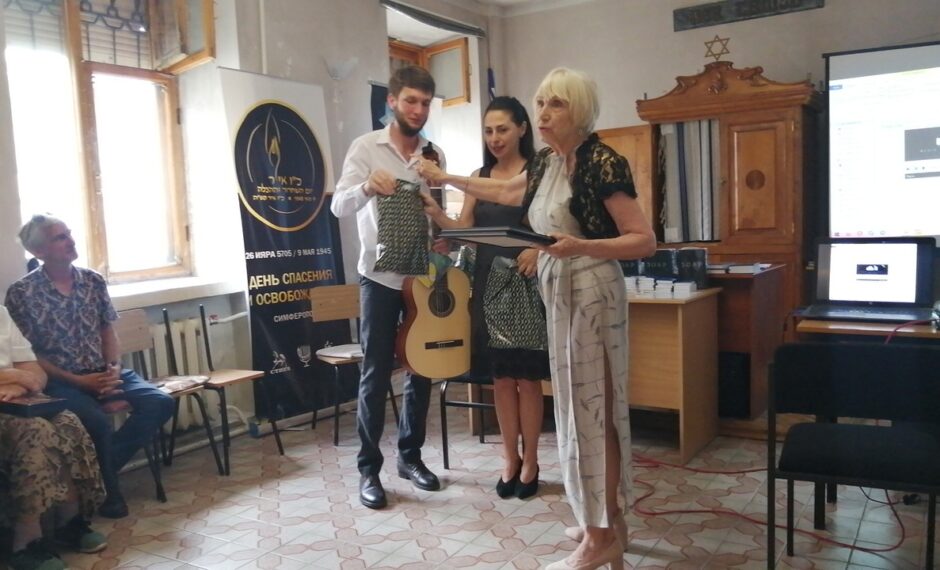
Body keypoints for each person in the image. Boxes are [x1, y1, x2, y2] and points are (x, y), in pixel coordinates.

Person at [417, 68, 656, 570]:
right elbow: (507, 193)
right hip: (562, 288)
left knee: (592, 415)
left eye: (556, 104)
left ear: (579, 110)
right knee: (574, 412)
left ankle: (600, 537)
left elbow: (643, 240)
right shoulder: (549, 161)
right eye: (541, 102)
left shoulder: (601, 161)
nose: (543, 113)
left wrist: (579, 246)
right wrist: (447, 178)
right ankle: (605, 522)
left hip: (591, 289)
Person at [4, 214, 176, 519]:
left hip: (104, 371)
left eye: (69, 234)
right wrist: (79, 381)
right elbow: (31, 356)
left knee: (159, 402)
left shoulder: (92, 280)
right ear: (39, 251)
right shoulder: (22, 293)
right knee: (96, 421)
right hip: (61, 381)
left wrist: (113, 369)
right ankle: (110, 495)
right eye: (60, 238)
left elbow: (107, 330)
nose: (70, 241)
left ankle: (98, 474)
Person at [330, 65, 447, 510]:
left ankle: (410, 458)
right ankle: (369, 470)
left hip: (422, 276)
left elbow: (438, 212)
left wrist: (443, 234)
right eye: (411, 100)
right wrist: (366, 186)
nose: (418, 110)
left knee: (422, 367)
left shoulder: (434, 154)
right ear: (392, 101)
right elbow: (339, 206)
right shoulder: (366, 147)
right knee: (376, 374)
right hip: (378, 278)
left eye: (425, 103)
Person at [422, 96, 550, 500]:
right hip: (486, 284)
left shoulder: (538, 172)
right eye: (489, 131)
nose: (495, 138)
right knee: (500, 379)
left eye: (503, 129)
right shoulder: (479, 176)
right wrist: (434, 212)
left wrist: (539, 251)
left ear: (522, 129)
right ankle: (509, 459)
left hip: (525, 284)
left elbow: (557, 225)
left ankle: (531, 461)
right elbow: (466, 232)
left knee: (527, 379)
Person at [1, 305, 107, 570]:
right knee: (35, 430)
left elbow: (35, 372)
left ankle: (69, 521)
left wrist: (21, 383)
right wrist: (13, 375)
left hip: (14, 399)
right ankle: (25, 542)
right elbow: (23, 373)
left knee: (67, 422)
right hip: (9, 406)